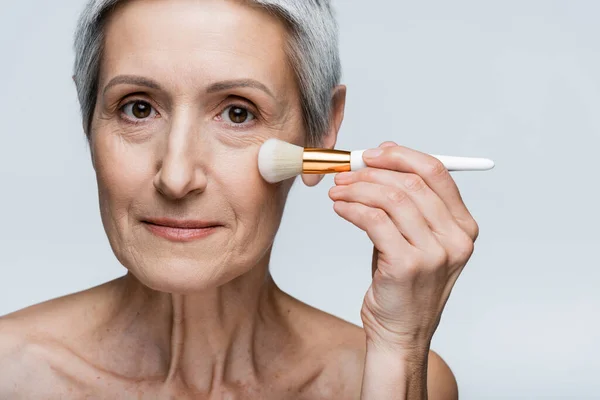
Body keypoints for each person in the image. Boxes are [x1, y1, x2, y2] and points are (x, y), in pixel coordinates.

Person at [0, 0, 480, 398]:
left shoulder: (398, 378)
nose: (177, 176)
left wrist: (398, 350)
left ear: (323, 135)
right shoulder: (11, 372)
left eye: (237, 113)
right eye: (138, 108)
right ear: (88, 122)